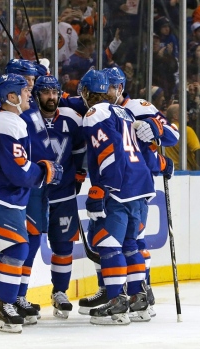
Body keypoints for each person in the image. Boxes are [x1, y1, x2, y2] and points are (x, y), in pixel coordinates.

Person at [0, 73, 63, 333]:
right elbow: (19, 172)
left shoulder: (9, 119)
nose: (28, 95)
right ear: (11, 97)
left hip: (4, 193)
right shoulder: (7, 122)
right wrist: (45, 172)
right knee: (17, 249)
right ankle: (6, 306)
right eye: (24, 91)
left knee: (11, 250)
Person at [78, 69, 154, 325]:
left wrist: (102, 188)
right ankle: (138, 298)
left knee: (108, 243)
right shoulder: (124, 111)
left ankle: (117, 303)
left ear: (88, 93)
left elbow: (108, 151)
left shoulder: (94, 113)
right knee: (131, 243)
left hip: (119, 186)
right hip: (140, 185)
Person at [32, 75, 86, 319]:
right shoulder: (26, 120)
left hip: (63, 194)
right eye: (45, 92)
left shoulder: (71, 119)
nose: (51, 97)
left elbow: (79, 151)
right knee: (27, 246)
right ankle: (20, 295)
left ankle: (60, 292)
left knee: (64, 246)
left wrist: (78, 176)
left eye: (55, 92)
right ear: (36, 94)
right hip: (34, 194)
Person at [165, 103, 200, 170]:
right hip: (186, 171)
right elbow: (197, 152)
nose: (187, 113)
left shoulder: (162, 132)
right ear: (175, 116)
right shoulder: (186, 130)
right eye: (184, 111)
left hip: (167, 171)